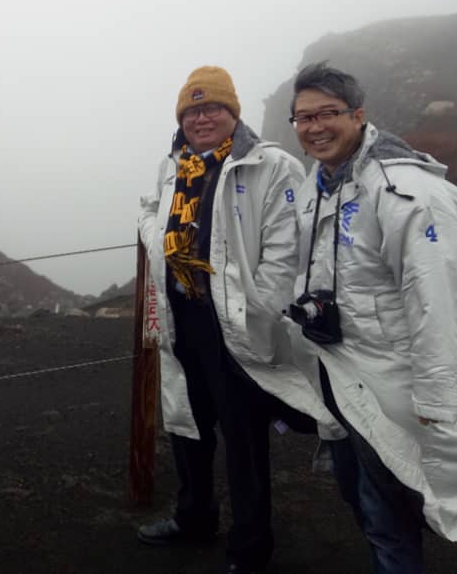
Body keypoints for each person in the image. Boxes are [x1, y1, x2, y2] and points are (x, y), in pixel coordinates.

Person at [137, 66, 342, 574]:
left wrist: (259, 315)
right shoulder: (174, 166)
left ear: (234, 113)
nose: (202, 117)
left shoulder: (270, 165)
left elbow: (284, 253)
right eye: (192, 110)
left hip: (237, 324)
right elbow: (152, 211)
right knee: (187, 424)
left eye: (213, 108)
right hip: (183, 315)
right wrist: (148, 228)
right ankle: (194, 518)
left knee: (243, 437)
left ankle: (250, 548)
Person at [288, 62, 457, 574]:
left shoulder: (407, 192)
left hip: (389, 380)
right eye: (302, 117)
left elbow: (438, 300)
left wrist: (437, 402)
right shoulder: (317, 186)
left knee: (385, 511)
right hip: (338, 372)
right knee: (360, 494)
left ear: (359, 115)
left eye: (327, 113)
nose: (314, 127)